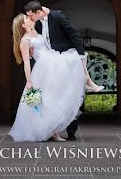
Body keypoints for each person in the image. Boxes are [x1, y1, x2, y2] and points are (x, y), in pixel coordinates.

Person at [24, 0, 104, 141]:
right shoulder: (37, 23)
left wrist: (80, 55)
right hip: (52, 62)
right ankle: (52, 129)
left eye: (31, 16)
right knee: (57, 95)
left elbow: (74, 34)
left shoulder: (57, 16)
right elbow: (40, 41)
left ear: (38, 12)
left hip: (65, 56)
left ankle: (71, 130)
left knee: (70, 92)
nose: (30, 19)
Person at [8, 13, 85, 142]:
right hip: (43, 69)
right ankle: (52, 132)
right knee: (46, 100)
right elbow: (26, 63)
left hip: (53, 63)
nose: (31, 19)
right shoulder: (25, 41)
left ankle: (53, 130)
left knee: (54, 98)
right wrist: (29, 81)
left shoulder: (38, 34)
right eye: (27, 18)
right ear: (23, 24)